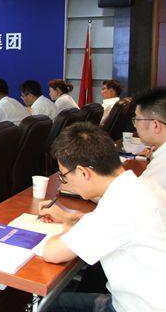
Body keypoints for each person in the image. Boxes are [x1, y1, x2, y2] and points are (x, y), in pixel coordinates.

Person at [38, 122, 166, 312]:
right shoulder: (143, 186)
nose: (66, 183)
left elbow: (52, 252)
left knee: (49, 306)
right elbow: (112, 222)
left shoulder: (118, 207)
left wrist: (69, 229)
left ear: (83, 172)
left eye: (64, 177)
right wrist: (72, 218)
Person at [132, 87, 166, 188]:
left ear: (155, 125)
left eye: (137, 119)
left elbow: (137, 194)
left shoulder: (162, 164)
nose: (135, 125)